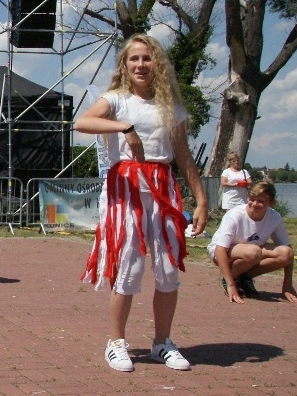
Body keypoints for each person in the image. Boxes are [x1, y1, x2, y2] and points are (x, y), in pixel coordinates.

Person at [75, 33, 207, 373]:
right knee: (129, 264)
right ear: (125, 64)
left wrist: (202, 199)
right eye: (134, 59)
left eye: (147, 58)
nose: (141, 64)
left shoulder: (171, 109)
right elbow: (83, 122)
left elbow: (184, 158)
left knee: (167, 268)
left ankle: (162, 341)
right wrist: (125, 128)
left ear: (157, 64)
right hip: (126, 188)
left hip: (161, 187)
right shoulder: (116, 100)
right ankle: (116, 342)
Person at [209, 181, 297, 304]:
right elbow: (220, 249)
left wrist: (287, 284)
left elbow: (287, 248)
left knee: (286, 253)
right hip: (223, 251)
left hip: (252, 250)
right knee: (254, 252)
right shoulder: (235, 215)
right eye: (252, 199)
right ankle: (230, 279)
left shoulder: (274, 217)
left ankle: (245, 278)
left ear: (272, 203)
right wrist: (230, 284)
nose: (255, 204)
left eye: (261, 201)